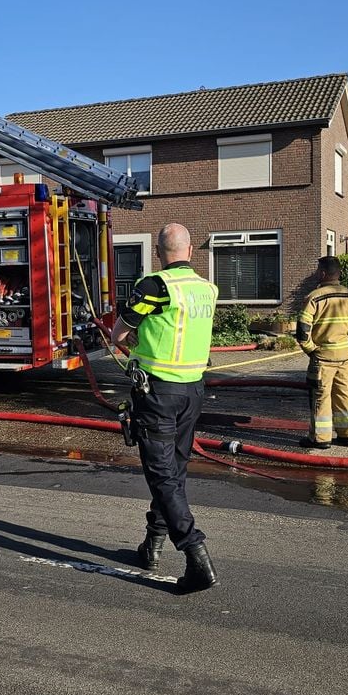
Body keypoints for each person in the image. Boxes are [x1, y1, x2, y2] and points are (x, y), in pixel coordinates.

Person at [112, 223, 220, 592]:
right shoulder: (207, 288)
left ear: (159, 253)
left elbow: (119, 333)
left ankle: (195, 553)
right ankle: (152, 546)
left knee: (161, 474)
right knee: (174, 470)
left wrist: (137, 336)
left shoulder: (154, 286)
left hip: (158, 393)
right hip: (193, 391)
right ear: (191, 251)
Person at [296, 256, 348, 450]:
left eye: (317, 271)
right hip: (345, 357)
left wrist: (312, 350)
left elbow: (302, 331)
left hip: (323, 358)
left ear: (322, 273)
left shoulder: (314, 298)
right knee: (344, 394)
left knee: (321, 397)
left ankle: (320, 438)